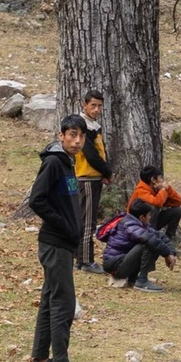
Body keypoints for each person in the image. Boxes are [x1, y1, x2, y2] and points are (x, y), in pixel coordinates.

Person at [27, 114, 94, 362]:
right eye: (72, 135)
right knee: (63, 303)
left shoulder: (68, 162)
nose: (77, 141)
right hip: (55, 243)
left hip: (63, 243)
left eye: (81, 136)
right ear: (61, 136)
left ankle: (41, 360)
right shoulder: (54, 162)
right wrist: (64, 226)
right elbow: (37, 200)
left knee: (49, 300)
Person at [102, 197, 178, 291]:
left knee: (154, 240)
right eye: (149, 215)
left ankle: (134, 278)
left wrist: (171, 253)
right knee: (148, 244)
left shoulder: (140, 224)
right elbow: (149, 240)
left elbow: (161, 236)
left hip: (122, 261)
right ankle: (142, 281)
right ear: (142, 217)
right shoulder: (129, 225)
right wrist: (166, 254)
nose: (150, 217)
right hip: (115, 266)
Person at [73, 91, 112, 272]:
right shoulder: (83, 126)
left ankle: (79, 257)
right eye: (93, 105)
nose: (96, 109)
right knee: (88, 220)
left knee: (85, 218)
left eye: (99, 106)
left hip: (94, 176)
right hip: (87, 177)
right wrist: (107, 171)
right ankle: (86, 260)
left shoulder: (93, 125)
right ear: (85, 105)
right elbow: (91, 155)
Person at [131, 165, 181, 246]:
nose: (162, 180)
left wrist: (168, 189)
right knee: (152, 207)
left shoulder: (155, 189)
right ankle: (150, 238)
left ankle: (168, 239)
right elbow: (157, 202)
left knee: (177, 210)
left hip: (152, 222)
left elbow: (177, 202)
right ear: (153, 180)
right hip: (137, 226)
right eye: (160, 178)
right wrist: (163, 190)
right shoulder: (141, 190)